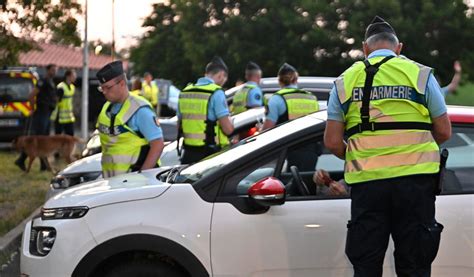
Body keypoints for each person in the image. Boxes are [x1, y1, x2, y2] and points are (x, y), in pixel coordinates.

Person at [324, 16, 451, 276]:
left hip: (367, 186)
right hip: (415, 185)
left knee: (366, 265)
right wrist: (416, 147)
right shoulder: (421, 75)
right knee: (414, 265)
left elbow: (333, 142)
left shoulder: (343, 81)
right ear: (399, 47)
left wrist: (363, 155)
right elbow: (444, 131)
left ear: (365, 48)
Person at [96, 61, 164, 178]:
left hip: (134, 183)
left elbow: (157, 144)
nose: (105, 92)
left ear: (122, 83)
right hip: (112, 180)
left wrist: (142, 177)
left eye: (107, 87)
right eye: (102, 88)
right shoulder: (107, 107)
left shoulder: (139, 110)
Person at [177, 56, 234, 164]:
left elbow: (179, 125)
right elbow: (228, 129)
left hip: (188, 154)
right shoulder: (216, 92)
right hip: (209, 155)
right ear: (221, 75)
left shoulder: (185, 92)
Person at [15, 64, 58, 171]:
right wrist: (32, 108)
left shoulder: (50, 81)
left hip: (47, 113)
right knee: (39, 140)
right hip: (41, 113)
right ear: (47, 70)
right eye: (53, 70)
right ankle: (22, 160)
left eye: (56, 70)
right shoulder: (42, 81)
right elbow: (31, 95)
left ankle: (43, 166)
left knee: (45, 140)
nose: (55, 72)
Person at [262, 63, 319, 130]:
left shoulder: (276, 99)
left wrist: (260, 129)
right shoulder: (312, 98)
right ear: (296, 79)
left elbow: (267, 129)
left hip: (287, 139)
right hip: (310, 139)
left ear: (279, 81)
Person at [51, 69, 76, 136]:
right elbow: (56, 100)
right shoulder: (61, 87)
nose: (75, 77)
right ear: (68, 76)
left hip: (69, 116)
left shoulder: (72, 87)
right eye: (73, 76)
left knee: (70, 136)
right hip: (60, 116)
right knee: (58, 137)